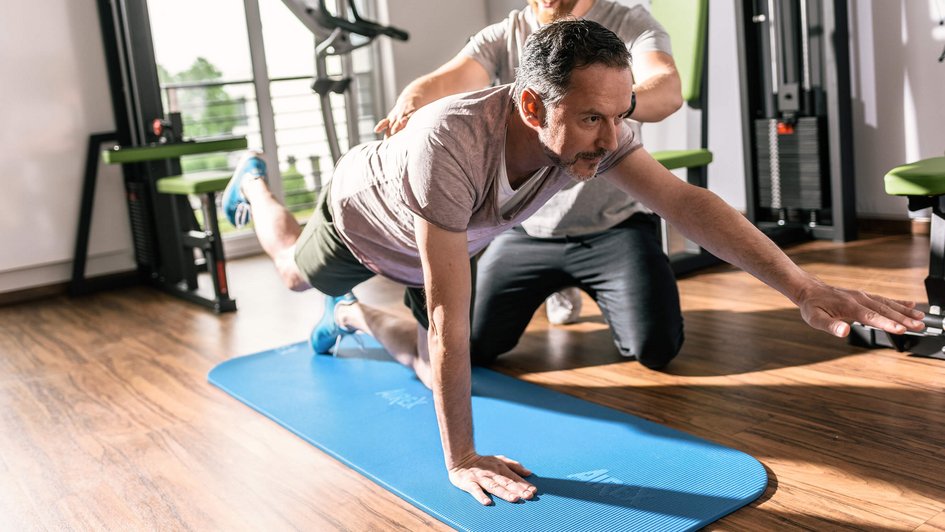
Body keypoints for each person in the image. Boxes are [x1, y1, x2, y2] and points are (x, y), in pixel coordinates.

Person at [223, 20, 925, 506]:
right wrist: (461, 459)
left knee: (424, 361)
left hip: (452, 239)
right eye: (592, 118)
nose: (611, 136)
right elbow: (446, 315)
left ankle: (348, 315)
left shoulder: (597, 132)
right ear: (532, 104)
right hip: (365, 226)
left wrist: (801, 288)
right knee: (293, 272)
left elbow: (684, 203)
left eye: (619, 116)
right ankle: (251, 180)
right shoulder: (452, 144)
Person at [375, 0, 687, 368]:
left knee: (657, 348)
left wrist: (605, 102)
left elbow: (668, 91)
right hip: (526, 230)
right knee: (470, 344)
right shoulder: (506, 34)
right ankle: (359, 316)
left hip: (612, 226)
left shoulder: (628, 20)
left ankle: (578, 286)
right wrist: (411, 102)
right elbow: (446, 80)